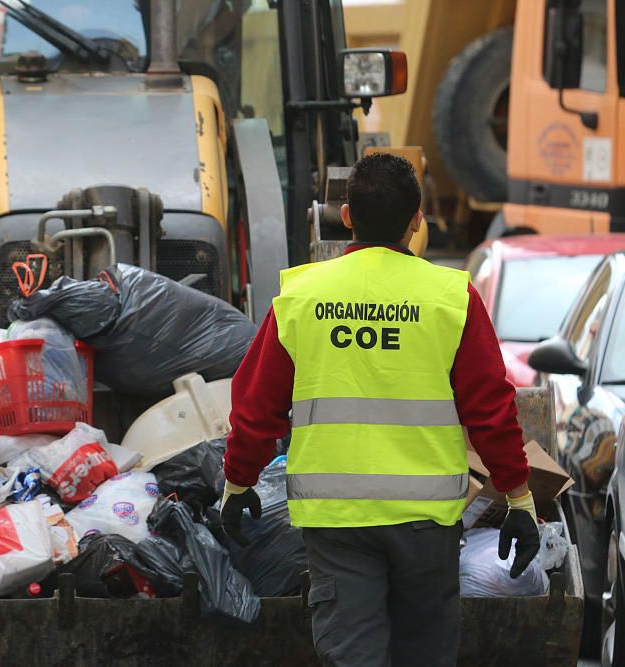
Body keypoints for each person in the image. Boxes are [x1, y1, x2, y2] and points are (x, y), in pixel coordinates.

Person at [220, 152, 539, 667]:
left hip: (337, 520)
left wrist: (238, 482)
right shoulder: (450, 298)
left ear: (346, 217)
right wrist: (519, 497)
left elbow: (256, 403)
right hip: (426, 523)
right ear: (418, 220)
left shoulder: (302, 296)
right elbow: (491, 410)